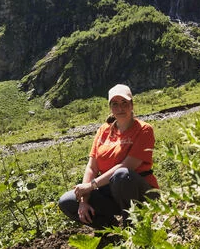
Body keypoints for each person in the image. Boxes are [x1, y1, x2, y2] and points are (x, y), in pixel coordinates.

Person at [58, 84, 159, 228]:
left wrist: (91, 186)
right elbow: (92, 167)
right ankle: (108, 229)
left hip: (141, 192)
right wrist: (83, 201)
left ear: (132, 104)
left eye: (124, 103)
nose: (120, 108)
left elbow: (127, 166)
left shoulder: (144, 130)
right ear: (110, 107)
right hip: (111, 191)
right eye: (115, 104)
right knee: (67, 201)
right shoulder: (103, 130)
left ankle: (134, 227)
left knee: (122, 175)